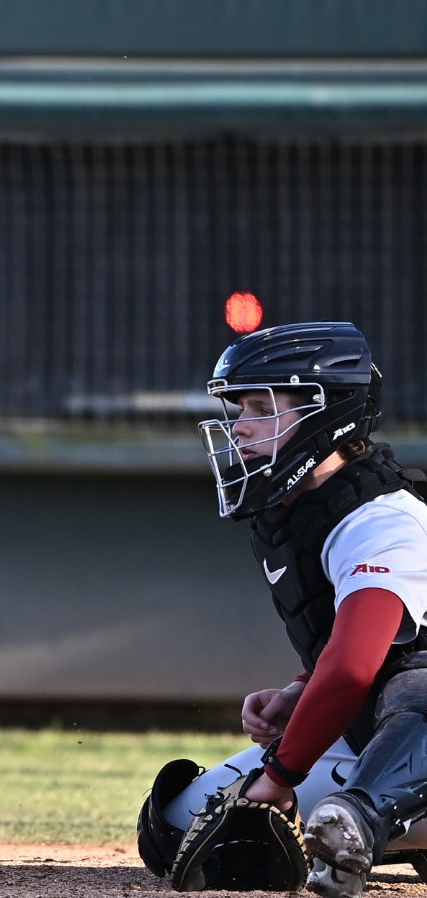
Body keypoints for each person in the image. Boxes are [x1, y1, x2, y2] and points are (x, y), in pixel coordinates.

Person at [138, 322, 427, 895]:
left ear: (326, 413)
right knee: (176, 831)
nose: (238, 427)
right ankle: (370, 819)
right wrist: (302, 690)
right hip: (383, 728)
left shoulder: (381, 519)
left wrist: (279, 776)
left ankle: (364, 820)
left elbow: (354, 667)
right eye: (239, 407)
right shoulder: (304, 512)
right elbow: (361, 653)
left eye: (259, 406)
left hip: (413, 713)